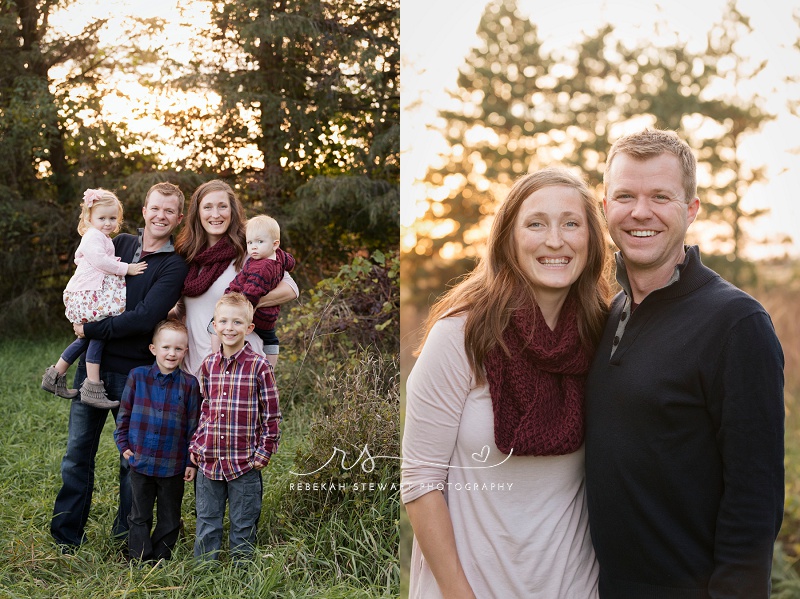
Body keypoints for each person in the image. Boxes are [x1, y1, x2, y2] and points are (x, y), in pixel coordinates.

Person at [584, 129, 784, 598]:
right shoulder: (609, 313)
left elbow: (754, 503)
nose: (640, 212)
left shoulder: (736, 324)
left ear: (691, 209)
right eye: (625, 196)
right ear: (605, 207)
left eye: (661, 196)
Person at [402, 167, 611, 598]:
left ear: (591, 238)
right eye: (536, 223)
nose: (556, 240)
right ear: (508, 238)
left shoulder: (603, 335)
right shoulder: (461, 336)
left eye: (571, 223)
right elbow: (421, 482)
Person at [51, 182, 189, 551]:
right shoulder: (119, 242)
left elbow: (145, 319)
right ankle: (66, 536)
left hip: (136, 375)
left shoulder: (174, 265)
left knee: (133, 461)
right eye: (154, 208)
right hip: (93, 371)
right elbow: (88, 278)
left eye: (169, 211)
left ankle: (128, 536)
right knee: (77, 453)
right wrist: (80, 311)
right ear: (144, 210)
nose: (160, 215)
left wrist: (90, 328)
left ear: (178, 218)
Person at [189, 292, 281, 561]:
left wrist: (264, 452)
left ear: (249, 328)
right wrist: (197, 443)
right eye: (224, 322)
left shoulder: (259, 366)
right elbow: (205, 409)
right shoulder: (208, 366)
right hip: (210, 460)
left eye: (237, 323)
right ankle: (204, 574)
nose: (230, 328)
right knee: (207, 522)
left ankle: (242, 577)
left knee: (243, 524)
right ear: (214, 326)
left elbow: (272, 414)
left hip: (245, 462)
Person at [173, 180, 298, 377]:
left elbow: (291, 288)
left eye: (222, 206)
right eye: (208, 207)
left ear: (233, 211)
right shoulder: (187, 255)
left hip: (241, 367)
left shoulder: (250, 249)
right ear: (197, 213)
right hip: (195, 367)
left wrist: (247, 303)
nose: (216, 214)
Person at [41, 188, 147, 409]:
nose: (107, 223)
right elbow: (101, 262)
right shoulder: (92, 236)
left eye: (112, 218)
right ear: (89, 218)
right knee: (98, 335)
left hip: (91, 293)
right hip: (88, 295)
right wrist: (126, 268)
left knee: (86, 338)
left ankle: (55, 375)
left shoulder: (103, 236)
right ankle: (92, 387)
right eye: (102, 218)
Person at [114, 319, 201, 562]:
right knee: (139, 514)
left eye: (178, 349)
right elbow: (124, 417)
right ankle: (141, 558)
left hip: (172, 465)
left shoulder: (189, 384)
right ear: (154, 349)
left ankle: (161, 557)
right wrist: (124, 447)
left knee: (170, 516)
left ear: (185, 351)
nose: (171, 353)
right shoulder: (137, 377)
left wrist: (190, 462)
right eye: (166, 347)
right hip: (140, 460)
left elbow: (193, 426)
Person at [223, 214, 297, 367]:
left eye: (259, 242)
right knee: (271, 340)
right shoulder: (279, 256)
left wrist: (232, 301)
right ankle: (269, 369)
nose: (253, 247)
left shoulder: (260, 267)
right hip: (269, 318)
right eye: (250, 243)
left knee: (215, 325)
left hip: (256, 316)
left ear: (275, 244)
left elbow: (251, 292)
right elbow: (290, 262)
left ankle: (219, 358)